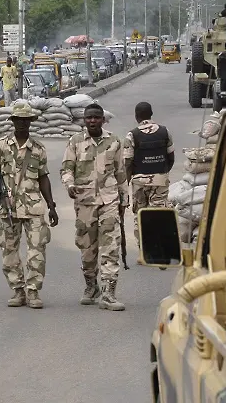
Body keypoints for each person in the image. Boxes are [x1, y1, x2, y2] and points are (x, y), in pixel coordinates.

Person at [0, 103, 58, 309]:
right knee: (9, 250)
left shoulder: (38, 149)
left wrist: (51, 205)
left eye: (26, 120)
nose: (23, 124)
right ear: (13, 121)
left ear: (31, 122)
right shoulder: (1, 146)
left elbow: (44, 178)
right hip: (8, 206)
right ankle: (18, 290)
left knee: (37, 249)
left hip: (33, 207)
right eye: (19, 120)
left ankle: (33, 291)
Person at [60, 103, 129, 311]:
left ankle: (109, 293)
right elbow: (66, 168)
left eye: (96, 117)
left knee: (110, 247)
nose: (92, 121)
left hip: (109, 201)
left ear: (102, 119)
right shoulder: (75, 142)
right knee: (87, 250)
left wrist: (124, 199)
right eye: (88, 117)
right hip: (84, 202)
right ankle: (91, 287)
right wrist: (69, 184)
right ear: (84, 120)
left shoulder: (114, 141)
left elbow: (120, 173)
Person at [123, 102, 174, 248]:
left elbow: (127, 162)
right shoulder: (165, 131)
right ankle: (160, 248)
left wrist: (126, 184)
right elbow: (171, 157)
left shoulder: (132, 134)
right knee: (159, 213)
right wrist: (162, 172)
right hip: (160, 180)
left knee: (140, 214)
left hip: (139, 182)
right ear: (151, 114)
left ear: (136, 116)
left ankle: (145, 250)